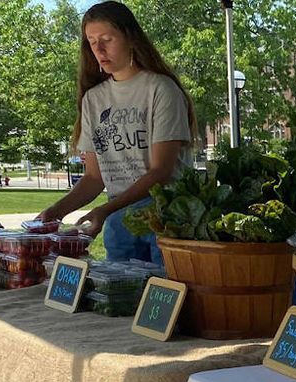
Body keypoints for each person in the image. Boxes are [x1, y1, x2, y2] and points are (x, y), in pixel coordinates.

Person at [37, 1, 195, 264]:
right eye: (91, 41)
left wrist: (106, 210)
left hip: (167, 217)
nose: (98, 49)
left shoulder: (161, 89)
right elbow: (93, 178)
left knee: (167, 297)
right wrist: (54, 212)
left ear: (130, 38)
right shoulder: (93, 100)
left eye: (107, 39)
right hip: (120, 222)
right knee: (121, 297)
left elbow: (161, 172)